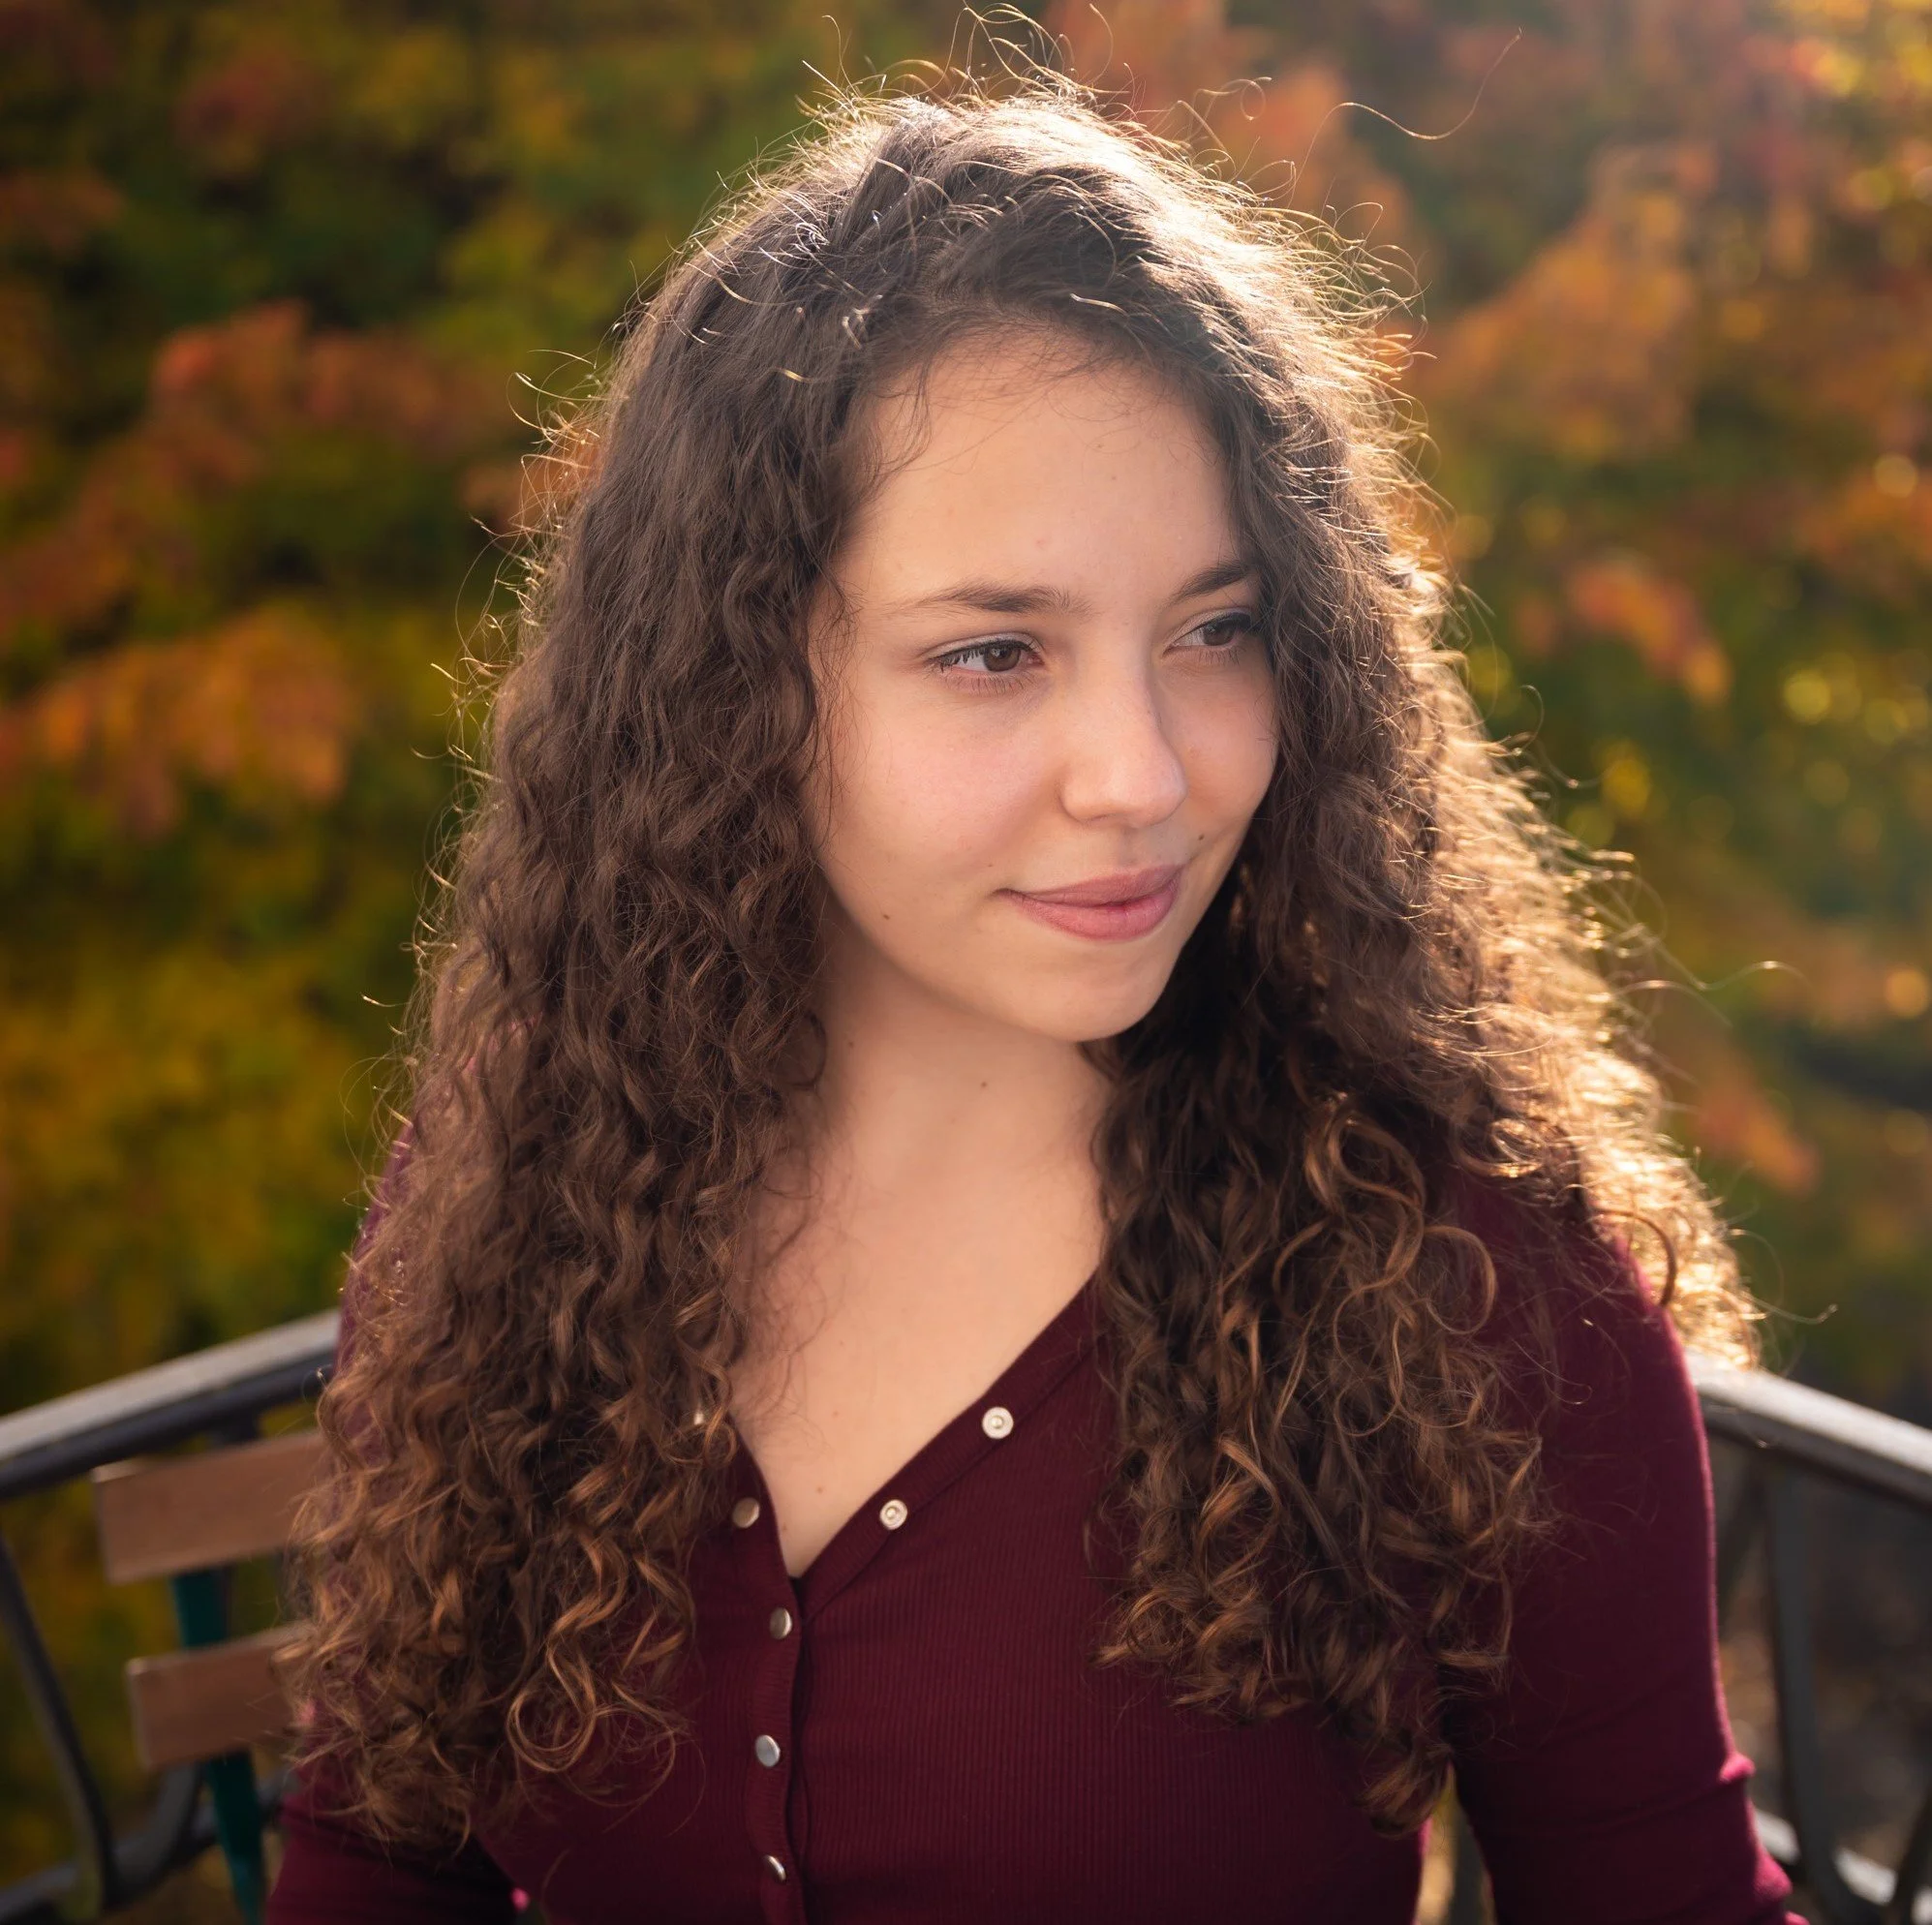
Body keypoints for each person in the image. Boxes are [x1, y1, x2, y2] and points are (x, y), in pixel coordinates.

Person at [266, 66, 1802, 1925]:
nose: (1142, 772)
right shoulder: (523, 1186)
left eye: (1212, 631)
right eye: (995, 653)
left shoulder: (1466, 1272)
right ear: (733, 685)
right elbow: (380, 1848)